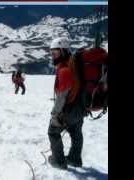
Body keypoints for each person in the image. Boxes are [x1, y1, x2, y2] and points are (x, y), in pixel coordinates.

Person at [47, 37, 86, 170]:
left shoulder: (64, 71)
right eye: (52, 53)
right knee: (76, 133)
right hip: (80, 108)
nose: (52, 56)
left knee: (53, 132)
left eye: (55, 53)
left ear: (63, 51)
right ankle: (75, 159)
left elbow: (61, 98)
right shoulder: (74, 65)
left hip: (68, 110)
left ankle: (59, 161)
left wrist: (55, 115)